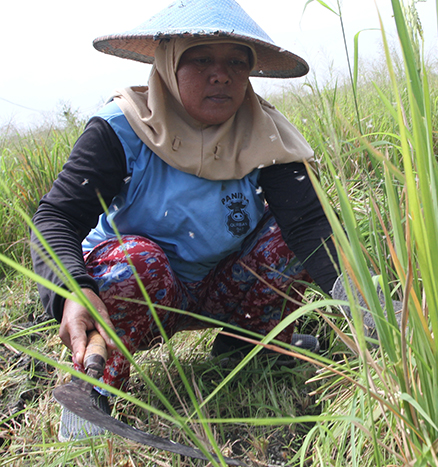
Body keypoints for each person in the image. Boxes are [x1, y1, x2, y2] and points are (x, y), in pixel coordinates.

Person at [30, 0, 338, 441]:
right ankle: (96, 383)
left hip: (224, 282)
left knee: (285, 241)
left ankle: (248, 345)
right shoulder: (122, 128)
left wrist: (366, 302)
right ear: (168, 61)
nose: (221, 74)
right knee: (139, 261)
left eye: (236, 61)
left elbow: (309, 226)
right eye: (201, 59)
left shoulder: (264, 131)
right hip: (145, 288)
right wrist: (69, 289)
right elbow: (56, 216)